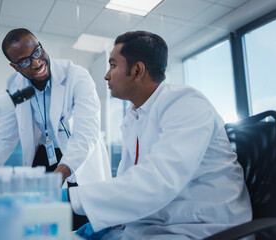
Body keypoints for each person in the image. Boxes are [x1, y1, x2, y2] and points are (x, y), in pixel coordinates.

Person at [63, 30, 252, 239]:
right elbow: (133, 183)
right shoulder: (135, 116)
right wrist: (111, 222)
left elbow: (158, 180)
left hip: (201, 228)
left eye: (113, 65)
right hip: (158, 225)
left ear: (137, 70)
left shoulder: (185, 103)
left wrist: (72, 199)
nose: (107, 75)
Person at [0, 28, 112, 229]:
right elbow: (4, 136)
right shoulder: (14, 86)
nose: (36, 62)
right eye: (24, 62)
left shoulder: (77, 76)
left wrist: (59, 176)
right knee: (42, 223)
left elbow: (86, 133)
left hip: (77, 158)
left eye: (36, 52)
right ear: (14, 66)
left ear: (40, 45)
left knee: (79, 222)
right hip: (44, 156)